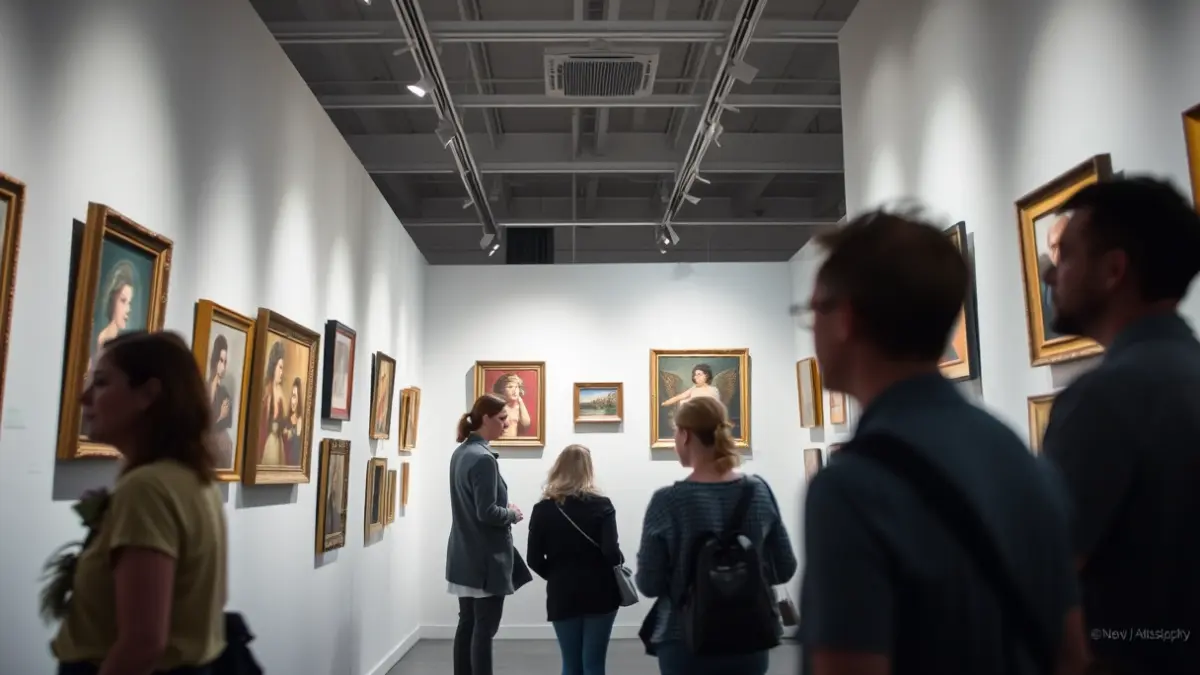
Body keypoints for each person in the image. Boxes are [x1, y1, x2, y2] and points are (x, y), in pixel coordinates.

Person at [799, 209, 1088, 675]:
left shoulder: (852, 488)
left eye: (813, 311)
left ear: (845, 318)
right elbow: (1072, 653)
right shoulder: (1021, 458)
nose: (811, 329)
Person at [1041, 177, 1200, 675]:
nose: (1049, 275)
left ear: (1114, 270)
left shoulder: (1101, 401)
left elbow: (1043, 580)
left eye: (1065, 257)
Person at [52, 331, 227, 675]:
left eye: (101, 383)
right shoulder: (191, 479)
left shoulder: (147, 488)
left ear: (148, 394)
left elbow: (143, 643)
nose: (83, 396)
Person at [635, 397, 796, 675]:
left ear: (685, 435)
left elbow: (649, 583)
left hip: (683, 637)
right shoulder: (758, 491)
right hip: (750, 634)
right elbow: (785, 567)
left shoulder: (668, 501)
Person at [446, 393, 531, 675]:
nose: (506, 425)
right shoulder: (483, 458)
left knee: (467, 624)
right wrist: (512, 514)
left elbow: (473, 507)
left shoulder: (460, 452)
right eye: (501, 419)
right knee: (484, 630)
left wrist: (501, 508)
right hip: (485, 559)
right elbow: (487, 513)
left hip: (464, 554)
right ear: (486, 419)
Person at [527, 444, 624, 675]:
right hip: (601, 591)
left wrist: (559, 574)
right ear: (588, 470)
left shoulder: (542, 509)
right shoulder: (602, 505)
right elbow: (611, 552)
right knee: (594, 664)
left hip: (563, 592)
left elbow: (533, 559)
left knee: (570, 664)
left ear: (558, 469)